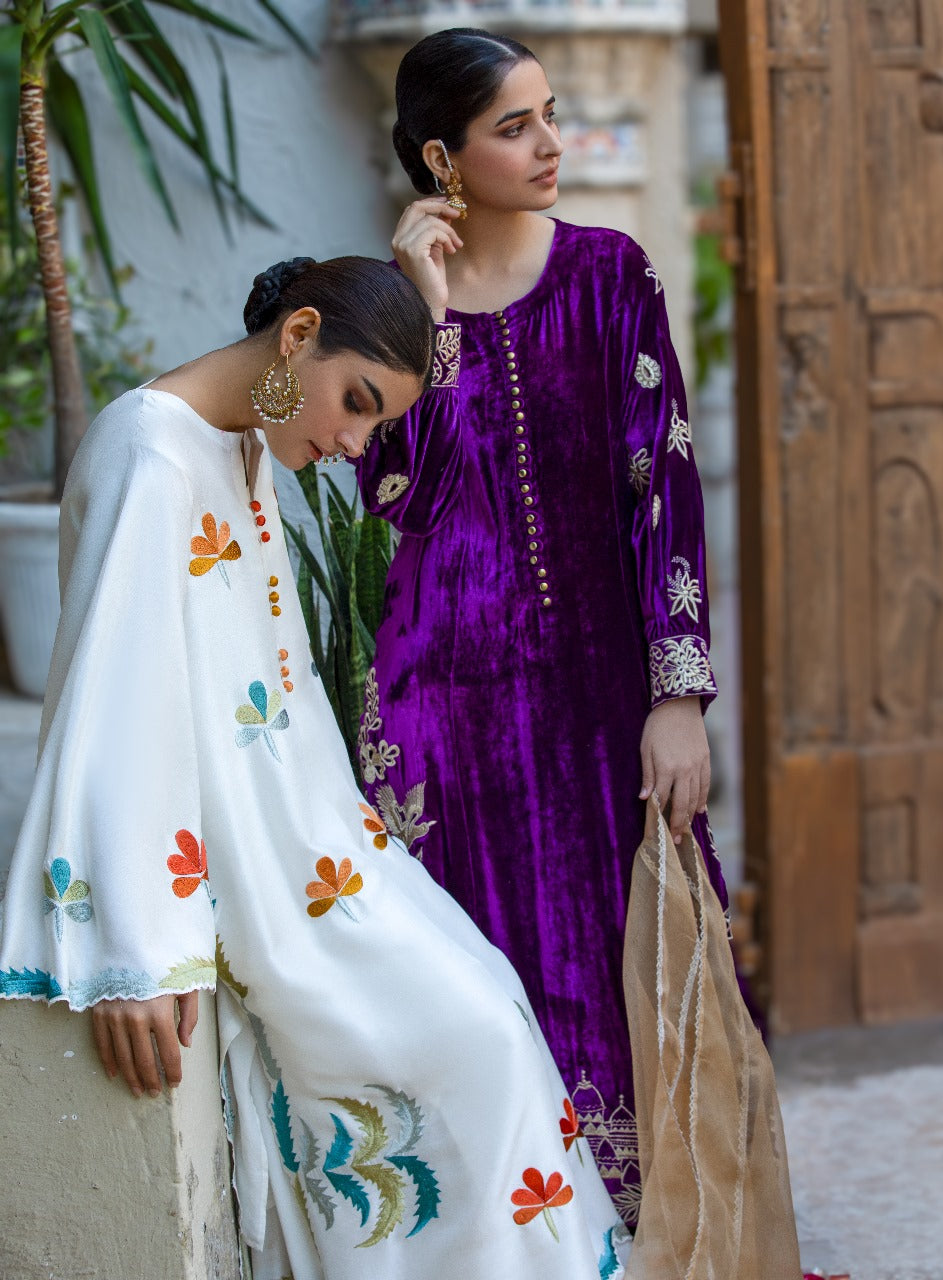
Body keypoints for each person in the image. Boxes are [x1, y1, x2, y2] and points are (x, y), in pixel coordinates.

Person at [0, 256, 629, 1280]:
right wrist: (133, 946)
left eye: (372, 425)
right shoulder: (149, 456)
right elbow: (112, 705)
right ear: (297, 337)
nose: (352, 444)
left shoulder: (239, 444)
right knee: (477, 1039)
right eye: (357, 403)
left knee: (491, 1000)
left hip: (316, 848)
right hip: (261, 884)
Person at [352, 28, 726, 1225]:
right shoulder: (393, 310)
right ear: (441, 158)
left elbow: (663, 486)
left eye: (549, 114)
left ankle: (653, 1232)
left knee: (631, 954)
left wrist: (677, 693)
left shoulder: (613, 276)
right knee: (479, 971)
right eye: (514, 127)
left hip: (606, 693)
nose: (551, 143)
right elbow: (393, 491)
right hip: (445, 703)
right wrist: (426, 312)